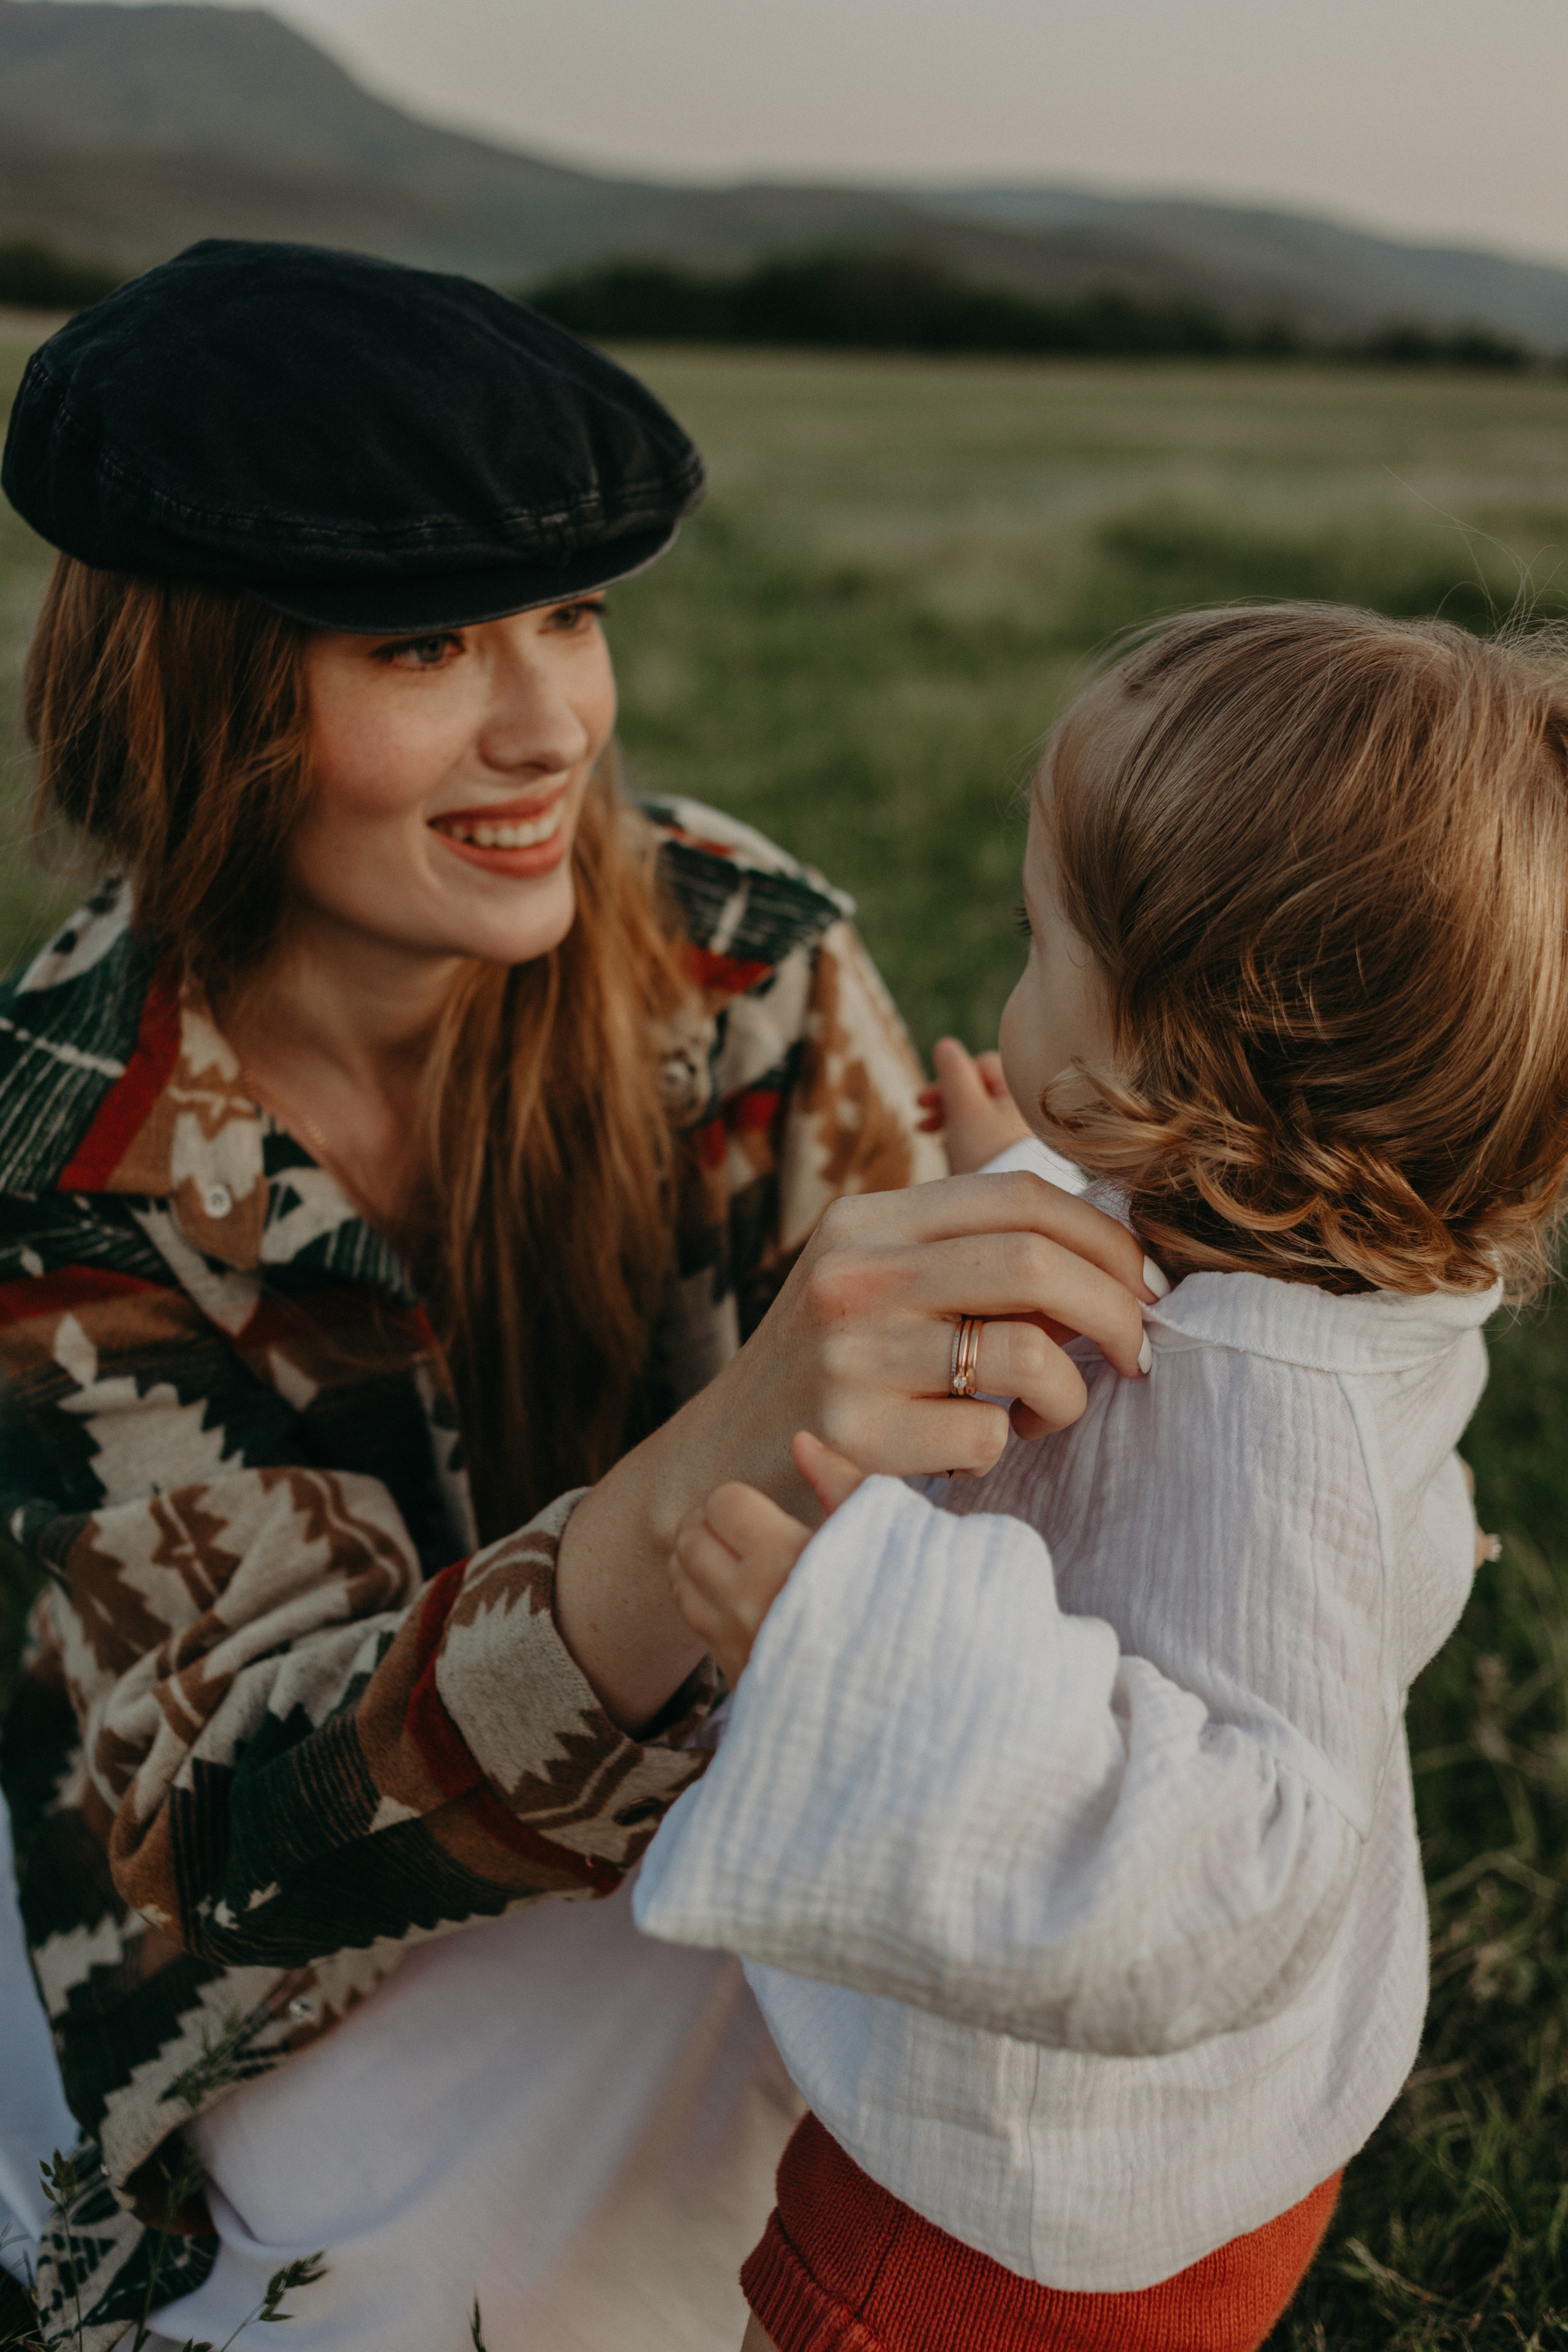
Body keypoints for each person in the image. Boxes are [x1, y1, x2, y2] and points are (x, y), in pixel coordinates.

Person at [0, 240, 1156, 2350]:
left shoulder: (740, 957)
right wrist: (741, 1445)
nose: (552, 726)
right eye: (428, 644)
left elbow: (995, 1552)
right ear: (193, 690)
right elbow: (240, 1866)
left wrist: (1143, 1372)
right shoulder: (58, 1161)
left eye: (573, 617)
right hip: (243, 1934)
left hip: (691, 1832)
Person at [639, 603, 1568, 2352]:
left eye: (1037, 935)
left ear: (1175, 1049)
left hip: (1022, 2227)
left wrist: (842, 1642)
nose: (1014, 963)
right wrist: (1050, 1173)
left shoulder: (1257, 1405)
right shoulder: (1350, 1264)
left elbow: (1253, 1857)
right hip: (1215, 2153)